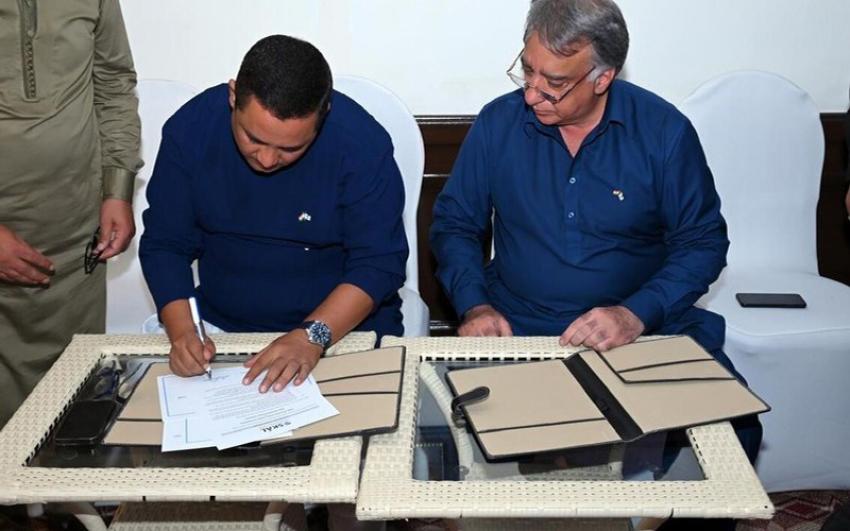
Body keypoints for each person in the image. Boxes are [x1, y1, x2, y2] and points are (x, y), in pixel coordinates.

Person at [430, 1, 760, 529]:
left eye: (553, 82)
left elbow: (703, 243)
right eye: (527, 69)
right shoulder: (499, 123)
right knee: (435, 431)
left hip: (641, 330)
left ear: (602, 77)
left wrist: (635, 313)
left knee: (737, 424)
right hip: (520, 326)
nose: (533, 92)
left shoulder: (663, 132)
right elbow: (454, 224)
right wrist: (474, 304)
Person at [139, 34, 407, 395]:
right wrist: (183, 331)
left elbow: (379, 264)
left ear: (323, 116)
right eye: (252, 138)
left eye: (290, 148)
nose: (266, 160)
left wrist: (312, 336)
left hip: (341, 331)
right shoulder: (190, 131)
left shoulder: (361, 144)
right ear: (233, 97)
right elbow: (165, 244)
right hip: (222, 331)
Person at [0, 0, 142, 430]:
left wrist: (116, 188)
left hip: (74, 239)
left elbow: (114, 83)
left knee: (71, 399)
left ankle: (64, 495)